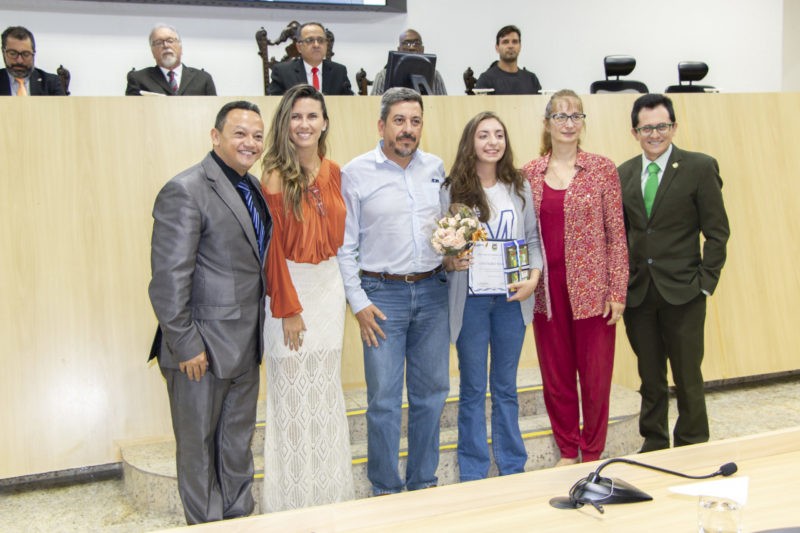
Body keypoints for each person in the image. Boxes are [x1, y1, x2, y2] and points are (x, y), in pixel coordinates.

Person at [148, 101, 269, 524]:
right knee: (198, 449)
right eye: (239, 133)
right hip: (199, 351)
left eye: (256, 134)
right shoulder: (185, 189)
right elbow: (168, 278)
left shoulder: (250, 187)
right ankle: (205, 525)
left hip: (245, 345)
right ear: (215, 136)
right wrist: (185, 344)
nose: (249, 142)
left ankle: (238, 518)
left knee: (236, 444)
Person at [338, 87, 449, 495]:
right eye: (399, 121)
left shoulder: (436, 167)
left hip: (433, 292)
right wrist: (359, 302)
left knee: (432, 393)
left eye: (415, 121)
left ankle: (423, 482)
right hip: (381, 297)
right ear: (381, 125)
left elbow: (446, 229)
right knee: (384, 400)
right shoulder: (355, 172)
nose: (407, 129)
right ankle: (385, 488)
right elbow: (344, 246)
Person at [259, 84, 355, 511]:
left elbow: (343, 239)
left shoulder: (335, 171)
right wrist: (289, 309)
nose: (304, 124)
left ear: (324, 123)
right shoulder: (274, 175)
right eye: (296, 116)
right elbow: (271, 250)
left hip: (328, 288)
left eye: (312, 116)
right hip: (289, 291)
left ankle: (330, 498)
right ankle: (293, 501)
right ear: (286, 123)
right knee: (293, 393)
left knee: (324, 392)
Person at [618, 94, 730, 453]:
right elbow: (622, 234)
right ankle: (653, 440)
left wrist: (706, 284)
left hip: (685, 291)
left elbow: (717, 232)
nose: (655, 134)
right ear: (635, 131)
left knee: (687, 375)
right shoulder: (623, 174)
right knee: (650, 377)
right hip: (640, 294)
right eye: (647, 127)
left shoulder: (699, 167)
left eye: (661, 126)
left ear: (674, 127)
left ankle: (693, 442)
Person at [522, 89, 628, 465]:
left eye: (575, 116)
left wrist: (617, 288)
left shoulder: (602, 169)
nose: (568, 123)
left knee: (596, 377)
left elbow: (616, 234)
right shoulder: (529, 173)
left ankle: (593, 450)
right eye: (560, 116)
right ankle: (568, 448)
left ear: (583, 123)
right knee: (557, 375)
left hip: (593, 290)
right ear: (547, 122)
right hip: (546, 293)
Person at [440, 111, 542, 481]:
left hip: (512, 299)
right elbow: (446, 249)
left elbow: (532, 240)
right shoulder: (453, 189)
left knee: (506, 387)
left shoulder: (520, 186)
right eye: (484, 135)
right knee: (472, 388)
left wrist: (534, 277)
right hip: (471, 301)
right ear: (471, 142)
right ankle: (473, 470)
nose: (492, 142)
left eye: (499, 134)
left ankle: (513, 465)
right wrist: (453, 259)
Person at [126, 23, 216, 96]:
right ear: (152, 51)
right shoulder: (138, 79)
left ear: (180, 47)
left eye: (170, 41)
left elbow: (215, 112)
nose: (165, 46)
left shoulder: (203, 79)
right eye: (159, 42)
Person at [268, 22, 353, 96]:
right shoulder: (282, 72)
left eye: (320, 40)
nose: (316, 45)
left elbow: (348, 102)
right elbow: (275, 104)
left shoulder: (339, 71)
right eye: (310, 40)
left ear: (326, 45)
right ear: (299, 47)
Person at [371, 29, 447, 95]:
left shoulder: (434, 75)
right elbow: (373, 106)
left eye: (416, 43)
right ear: (398, 49)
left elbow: (444, 104)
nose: (411, 47)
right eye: (406, 43)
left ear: (422, 49)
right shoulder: (383, 76)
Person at [475, 25, 541, 95]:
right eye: (505, 42)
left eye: (515, 42)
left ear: (520, 47)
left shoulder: (531, 79)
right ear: (497, 48)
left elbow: (541, 105)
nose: (510, 46)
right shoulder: (486, 79)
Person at [1, 26, 64, 96]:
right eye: (13, 54)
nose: (19, 61)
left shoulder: (51, 83)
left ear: (33, 54)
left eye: (25, 54)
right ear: (3, 53)